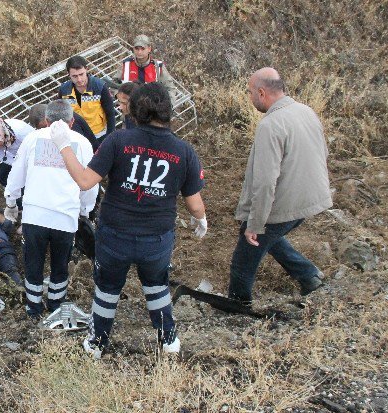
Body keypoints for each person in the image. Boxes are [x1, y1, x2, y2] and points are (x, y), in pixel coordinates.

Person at [51, 82, 208, 358]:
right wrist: (201, 219)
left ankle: (96, 344)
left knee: (107, 289)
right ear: (167, 110)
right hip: (156, 238)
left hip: (115, 236)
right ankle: (169, 341)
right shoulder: (184, 151)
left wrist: (64, 146)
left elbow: (85, 181)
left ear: (135, 111)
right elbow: (194, 205)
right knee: (157, 287)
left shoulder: (118, 140)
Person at [227, 67, 332, 305]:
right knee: (269, 236)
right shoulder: (306, 111)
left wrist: (255, 222)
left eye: (249, 92)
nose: (249, 97)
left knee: (246, 252)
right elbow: (323, 153)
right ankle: (309, 275)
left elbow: (265, 182)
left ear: (262, 92)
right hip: (312, 197)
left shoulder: (270, 125)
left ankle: (237, 304)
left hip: (286, 201)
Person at [4, 100, 98, 320]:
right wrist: (85, 210)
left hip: (35, 214)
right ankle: (56, 304)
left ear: (46, 121)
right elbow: (90, 183)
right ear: (72, 121)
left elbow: (17, 174)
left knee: (33, 262)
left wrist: (11, 201)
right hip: (65, 217)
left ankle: (33, 307)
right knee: (60, 264)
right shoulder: (82, 143)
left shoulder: (32, 139)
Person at [58, 56, 116, 144]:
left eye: (81, 74)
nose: (79, 79)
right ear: (68, 74)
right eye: (74, 76)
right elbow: (61, 114)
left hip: (99, 134)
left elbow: (110, 113)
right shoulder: (64, 90)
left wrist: (110, 137)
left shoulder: (99, 86)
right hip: (77, 136)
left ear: (86, 69)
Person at [116, 34, 176, 101]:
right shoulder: (126, 64)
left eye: (142, 49)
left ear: (149, 49)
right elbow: (114, 84)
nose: (139, 52)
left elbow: (171, 88)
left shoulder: (158, 66)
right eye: (137, 48)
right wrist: (119, 98)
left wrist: (168, 106)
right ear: (133, 49)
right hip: (129, 108)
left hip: (152, 108)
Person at [0, 115, 34, 188]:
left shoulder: (22, 132)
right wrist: (17, 166)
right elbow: (3, 156)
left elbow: (36, 149)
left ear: (3, 134)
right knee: (3, 175)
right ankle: (13, 193)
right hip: (14, 155)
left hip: (32, 153)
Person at [27, 103, 99, 151]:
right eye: (41, 129)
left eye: (46, 126)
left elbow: (78, 148)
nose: (46, 130)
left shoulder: (70, 123)